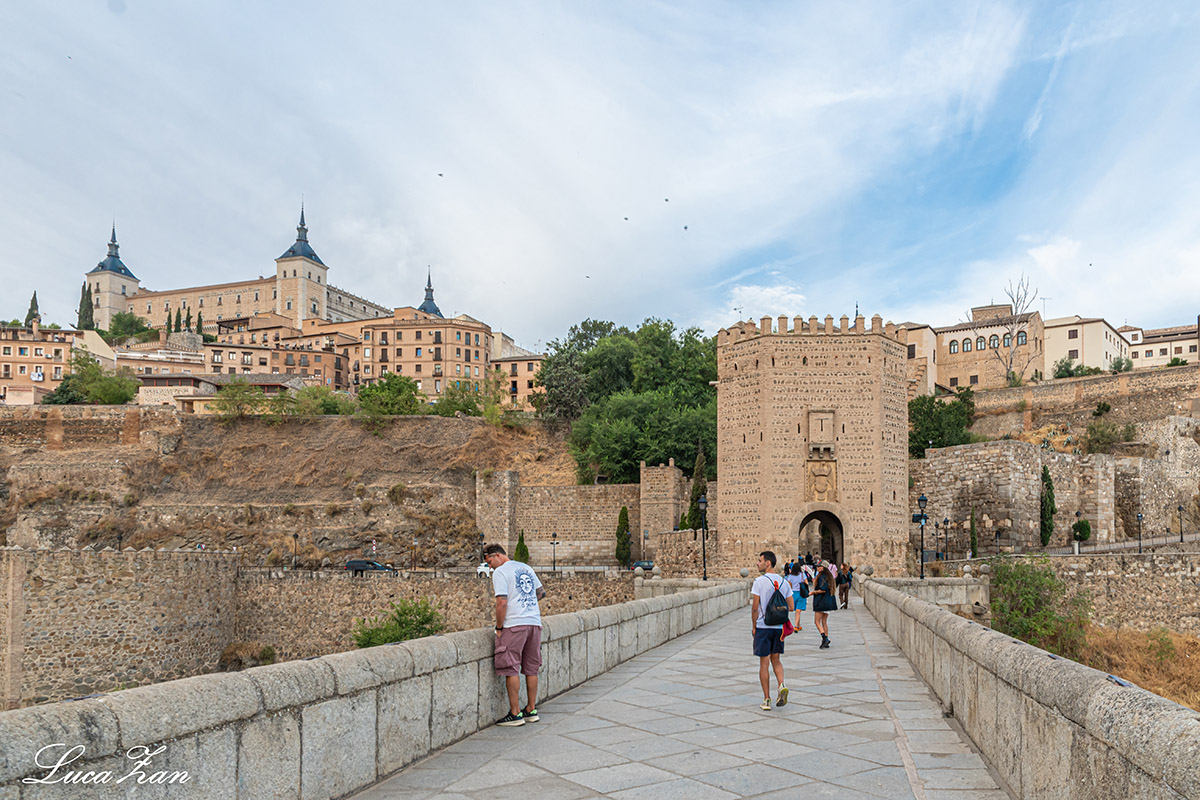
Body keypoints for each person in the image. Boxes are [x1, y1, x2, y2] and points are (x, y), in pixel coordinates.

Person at [484, 543, 545, 727]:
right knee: (531, 668)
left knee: (511, 667)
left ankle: (515, 713)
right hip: (534, 622)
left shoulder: (501, 572)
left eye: (489, 562)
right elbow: (541, 593)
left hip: (514, 624)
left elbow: (501, 602)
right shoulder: (526, 567)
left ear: (497, 555)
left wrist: (499, 627)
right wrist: (525, 602)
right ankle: (531, 710)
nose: (490, 567)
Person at [751, 551, 794, 711]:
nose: (757, 563)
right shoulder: (784, 582)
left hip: (763, 627)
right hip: (778, 628)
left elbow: (755, 608)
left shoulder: (759, 582)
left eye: (759, 560)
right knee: (776, 660)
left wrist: (754, 626)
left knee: (764, 663)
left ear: (767, 563)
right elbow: (791, 607)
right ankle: (781, 684)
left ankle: (767, 699)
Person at [811, 560, 837, 648]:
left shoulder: (822, 577)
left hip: (821, 602)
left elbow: (823, 589)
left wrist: (813, 592)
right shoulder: (829, 577)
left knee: (816, 621)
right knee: (824, 622)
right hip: (827, 602)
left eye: (819, 566)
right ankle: (826, 639)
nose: (817, 568)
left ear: (824, 568)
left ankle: (824, 638)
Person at [785, 563, 807, 630]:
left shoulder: (790, 576)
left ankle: (798, 624)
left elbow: (789, 586)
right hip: (801, 593)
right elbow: (806, 582)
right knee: (798, 610)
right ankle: (796, 626)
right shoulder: (802, 575)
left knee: (796, 609)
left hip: (793, 593)